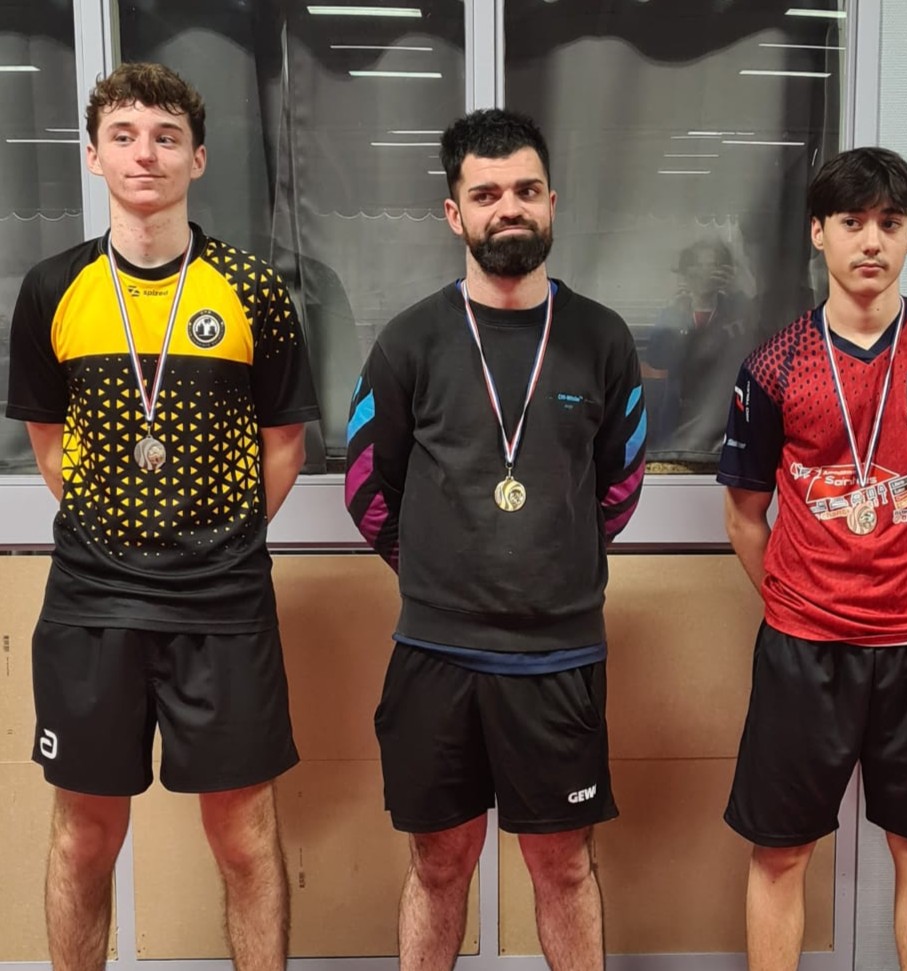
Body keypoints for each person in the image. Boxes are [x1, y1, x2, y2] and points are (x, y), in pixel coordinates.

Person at [4, 63, 318, 970]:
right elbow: (50, 445)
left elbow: (285, 445)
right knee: (83, 835)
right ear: (93, 156)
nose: (146, 153)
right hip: (92, 601)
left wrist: (217, 540)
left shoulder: (251, 287)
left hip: (223, 602)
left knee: (245, 837)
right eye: (125, 136)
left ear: (198, 158)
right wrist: (118, 534)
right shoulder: (53, 288)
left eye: (167, 136)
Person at [344, 109, 646, 971]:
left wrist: (555, 559)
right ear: (454, 213)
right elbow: (366, 488)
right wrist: (439, 571)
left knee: (563, 866)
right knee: (439, 864)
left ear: (551, 202)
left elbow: (620, 483)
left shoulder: (600, 337)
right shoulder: (410, 339)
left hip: (558, 656)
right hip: (435, 654)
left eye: (524, 190)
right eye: (484, 195)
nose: (506, 207)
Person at [717, 147, 907, 971]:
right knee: (780, 852)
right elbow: (743, 515)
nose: (871, 241)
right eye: (851, 222)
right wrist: (797, 595)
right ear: (818, 232)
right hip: (803, 647)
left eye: (890, 222)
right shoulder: (774, 363)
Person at [643, 238, 754, 462]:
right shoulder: (673, 312)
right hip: (678, 414)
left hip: (723, 411)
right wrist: (677, 319)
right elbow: (657, 359)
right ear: (686, 272)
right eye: (699, 266)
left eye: (713, 266)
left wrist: (737, 291)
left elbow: (751, 348)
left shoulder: (737, 311)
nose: (706, 273)